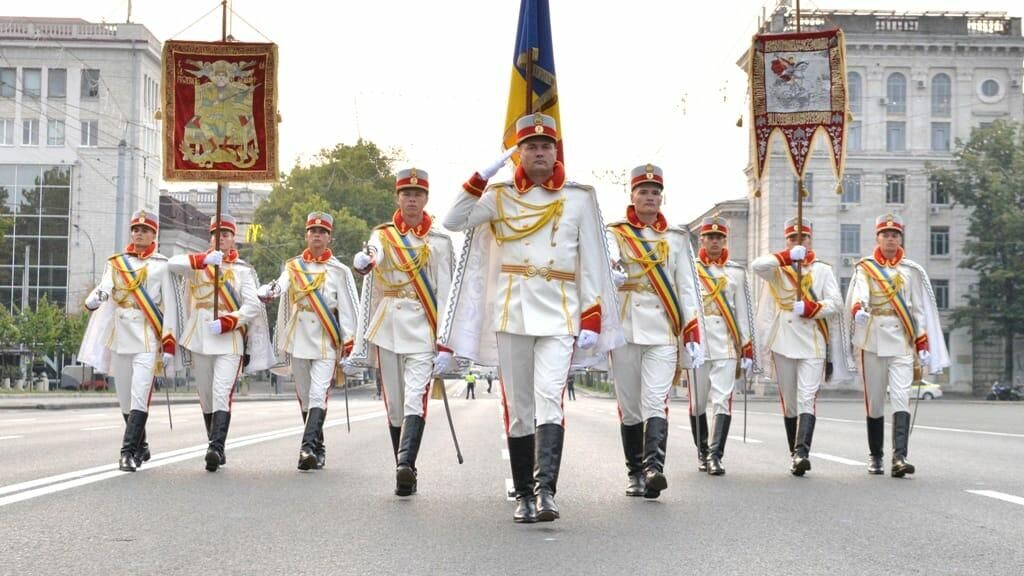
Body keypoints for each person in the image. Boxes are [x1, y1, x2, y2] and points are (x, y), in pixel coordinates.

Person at [441, 113, 623, 523]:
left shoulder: (579, 197)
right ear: (517, 155)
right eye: (530, 147)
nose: (539, 153)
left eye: (545, 146)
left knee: (549, 397)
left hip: (561, 311)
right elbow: (453, 221)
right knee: (520, 407)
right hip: (513, 309)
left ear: (556, 151)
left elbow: (593, 260)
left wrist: (593, 317)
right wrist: (479, 177)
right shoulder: (500, 196)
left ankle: (545, 493)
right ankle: (523, 493)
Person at [350, 170, 454, 496]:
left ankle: (405, 465)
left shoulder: (438, 241)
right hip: (389, 327)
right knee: (394, 404)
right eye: (406, 194)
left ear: (426, 199)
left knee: (414, 398)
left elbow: (448, 291)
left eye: (417, 194)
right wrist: (366, 260)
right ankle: (403, 462)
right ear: (397, 198)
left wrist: (445, 341)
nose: (411, 199)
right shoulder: (382, 236)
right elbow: (374, 255)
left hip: (423, 327)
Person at [606, 163, 704, 498]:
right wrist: (611, 275)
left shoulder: (676, 238)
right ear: (632, 195)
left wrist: (692, 334)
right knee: (630, 405)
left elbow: (687, 288)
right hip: (625, 327)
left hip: (662, 329)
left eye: (655, 192)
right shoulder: (615, 233)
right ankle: (634, 472)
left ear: (662, 197)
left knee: (655, 399)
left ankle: (653, 468)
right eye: (643, 192)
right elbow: (602, 263)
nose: (649, 197)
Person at [845, 213, 949, 477]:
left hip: (901, 340)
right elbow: (860, 292)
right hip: (873, 337)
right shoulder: (865, 268)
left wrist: (922, 343)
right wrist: (859, 308)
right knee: (876, 400)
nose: (890, 239)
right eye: (885, 234)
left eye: (895, 235)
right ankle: (876, 456)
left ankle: (899, 458)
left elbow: (918, 309)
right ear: (877, 238)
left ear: (901, 238)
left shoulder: (911, 270)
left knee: (902, 396)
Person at [79, 210, 179, 472]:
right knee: (124, 396)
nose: (139, 233)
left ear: (154, 234)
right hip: (120, 336)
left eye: (144, 230)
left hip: (146, 336)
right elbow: (105, 288)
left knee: (140, 393)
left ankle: (127, 453)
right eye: (135, 229)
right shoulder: (116, 263)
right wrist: (96, 298)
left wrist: (168, 344)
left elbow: (170, 307)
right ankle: (142, 445)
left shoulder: (162, 264)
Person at [168, 214, 268, 472]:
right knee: (206, 394)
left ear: (234, 238)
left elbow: (252, 305)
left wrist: (230, 321)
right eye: (215, 234)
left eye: (225, 234)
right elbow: (172, 264)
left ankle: (216, 447)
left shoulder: (243, 270)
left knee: (222, 391)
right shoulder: (198, 264)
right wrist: (202, 260)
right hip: (200, 335)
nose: (220, 238)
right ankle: (214, 442)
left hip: (228, 338)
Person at [259, 212, 359, 471]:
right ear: (306, 235)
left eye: (322, 232)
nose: (317, 235)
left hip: (326, 338)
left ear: (329, 237)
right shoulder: (293, 267)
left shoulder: (340, 270)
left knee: (317, 393)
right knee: (305, 396)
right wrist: (270, 291)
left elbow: (349, 309)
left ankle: (306, 448)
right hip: (299, 336)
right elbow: (281, 285)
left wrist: (350, 344)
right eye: (312, 231)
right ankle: (318, 448)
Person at [752, 217, 851, 476]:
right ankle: (793, 453)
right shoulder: (776, 269)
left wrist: (811, 308)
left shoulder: (822, 270)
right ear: (787, 241)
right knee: (790, 400)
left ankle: (802, 453)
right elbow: (757, 265)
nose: (799, 242)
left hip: (812, 340)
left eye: (803, 237)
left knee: (807, 396)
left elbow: (836, 303)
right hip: (783, 340)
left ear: (810, 239)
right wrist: (785, 256)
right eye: (793, 238)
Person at [691, 215, 755, 476]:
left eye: (719, 237)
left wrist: (748, 347)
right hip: (699, 341)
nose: (714, 242)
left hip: (726, 342)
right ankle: (702, 452)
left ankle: (716, 455)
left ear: (724, 240)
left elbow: (743, 312)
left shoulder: (736, 272)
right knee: (697, 403)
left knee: (722, 400)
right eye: (710, 237)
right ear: (702, 240)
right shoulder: (691, 268)